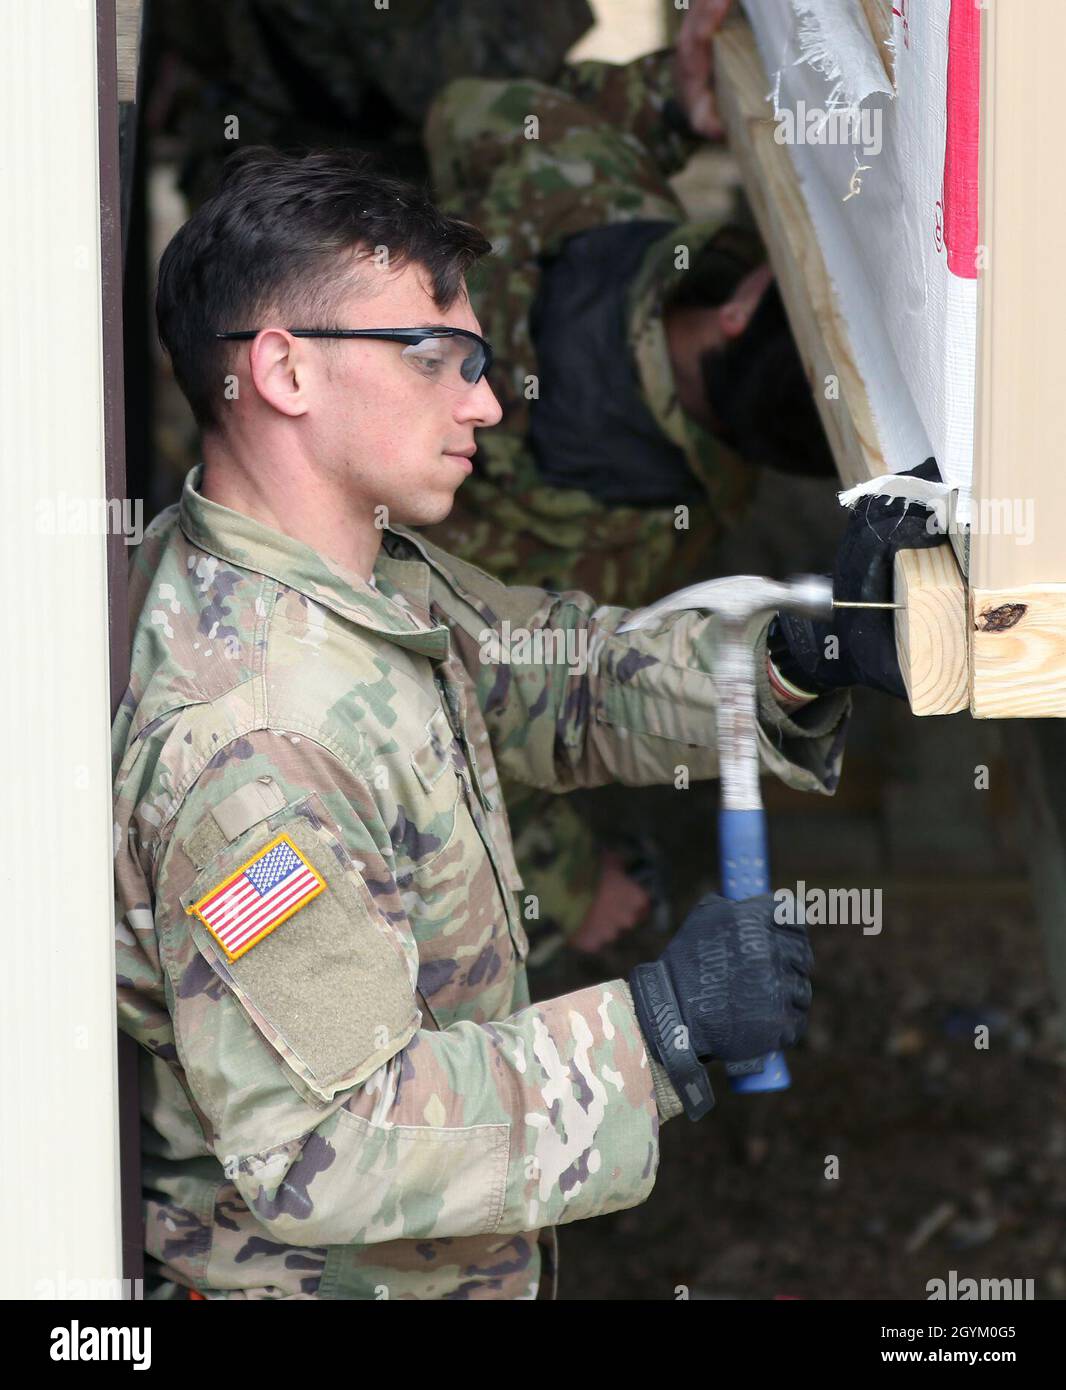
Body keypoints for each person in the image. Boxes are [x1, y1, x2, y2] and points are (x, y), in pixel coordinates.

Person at [113, 146, 857, 1300]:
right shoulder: (254, 741)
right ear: (283, 370)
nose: (487, 400)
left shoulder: (353, 579)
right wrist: (657, 1026)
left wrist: (793, 663)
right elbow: (332, 1145)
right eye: (437, 359)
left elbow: (555, 684)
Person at [419, 0, 837, 957]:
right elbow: (473, 730)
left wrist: (664, 106)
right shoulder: (628, 556)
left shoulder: (597, 186)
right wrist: (573, 889)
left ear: (737, 305)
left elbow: (465, 111)